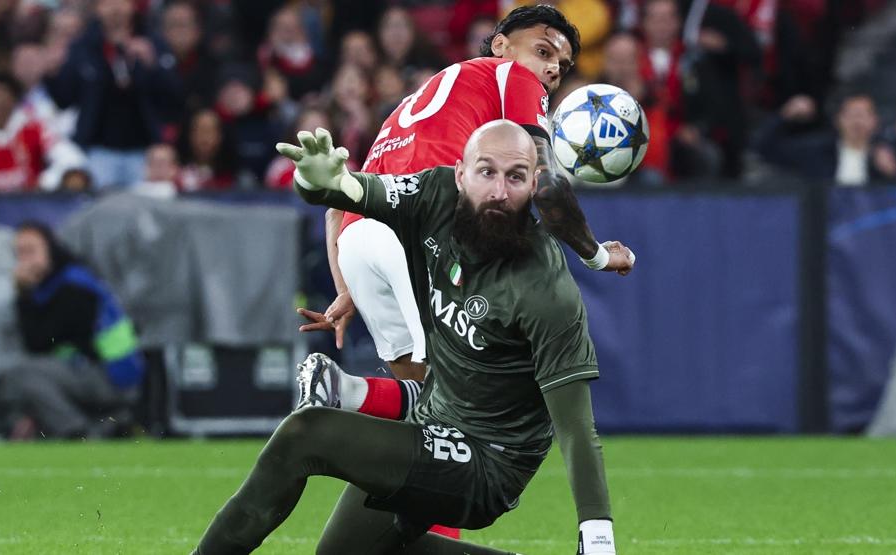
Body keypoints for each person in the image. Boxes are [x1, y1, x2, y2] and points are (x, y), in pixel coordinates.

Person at [194, 120, 618, 555]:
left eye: (515, 177)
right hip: (432, 423)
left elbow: (577, 431)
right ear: (459, 174)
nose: (498, 191)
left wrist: (598, 538)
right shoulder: (433, 196)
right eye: (486, 171)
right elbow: (348, 191)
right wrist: (316, 180)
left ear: (533, 186)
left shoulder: (546, 288)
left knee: (306, 433)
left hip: (489, 464)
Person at [305, 7, 633, 468]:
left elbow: (339, 206)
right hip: (421, 232)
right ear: (501, 45)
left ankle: (405, 523)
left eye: (561, 64)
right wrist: (597, 256)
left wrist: (346, 288)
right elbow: (547, 185)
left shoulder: (417, 101)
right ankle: (346, 390)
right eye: (543, 50)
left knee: (427, 419)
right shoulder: (513, 78)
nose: (552, 68)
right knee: (465, 416)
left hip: (360, 243)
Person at [0, 222, 143, 439]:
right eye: (19, 253)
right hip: (92, 370)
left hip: (112, 375)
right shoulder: (59, 283)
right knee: (12, 380)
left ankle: (76, 430)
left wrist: (23, 295)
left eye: (31, 251)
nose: (24, 259)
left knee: (22, 375)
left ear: (50, 250)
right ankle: (104, 425)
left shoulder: (73, 286)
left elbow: (39, 342)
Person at [45, 0, 182, 189]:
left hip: (144, 150)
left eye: (121, 2)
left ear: (132, 6)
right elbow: (64, 100)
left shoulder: (153, 42)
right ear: (97, 9)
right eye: (107, 3)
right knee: (100, 209)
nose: (115, 8)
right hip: (99, 150)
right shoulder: (83, 46)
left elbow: (174, 96)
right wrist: (52, 74)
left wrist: (153, 65)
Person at [755, 93, 892, 186]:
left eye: (862, 115)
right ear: (838, 120)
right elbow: (766, 149)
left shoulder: (888, 155)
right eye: (851, 114)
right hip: (824, 224)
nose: (856, 121)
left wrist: (893, 174)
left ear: (875, 121)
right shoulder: (816, 151)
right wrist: (785, 115)